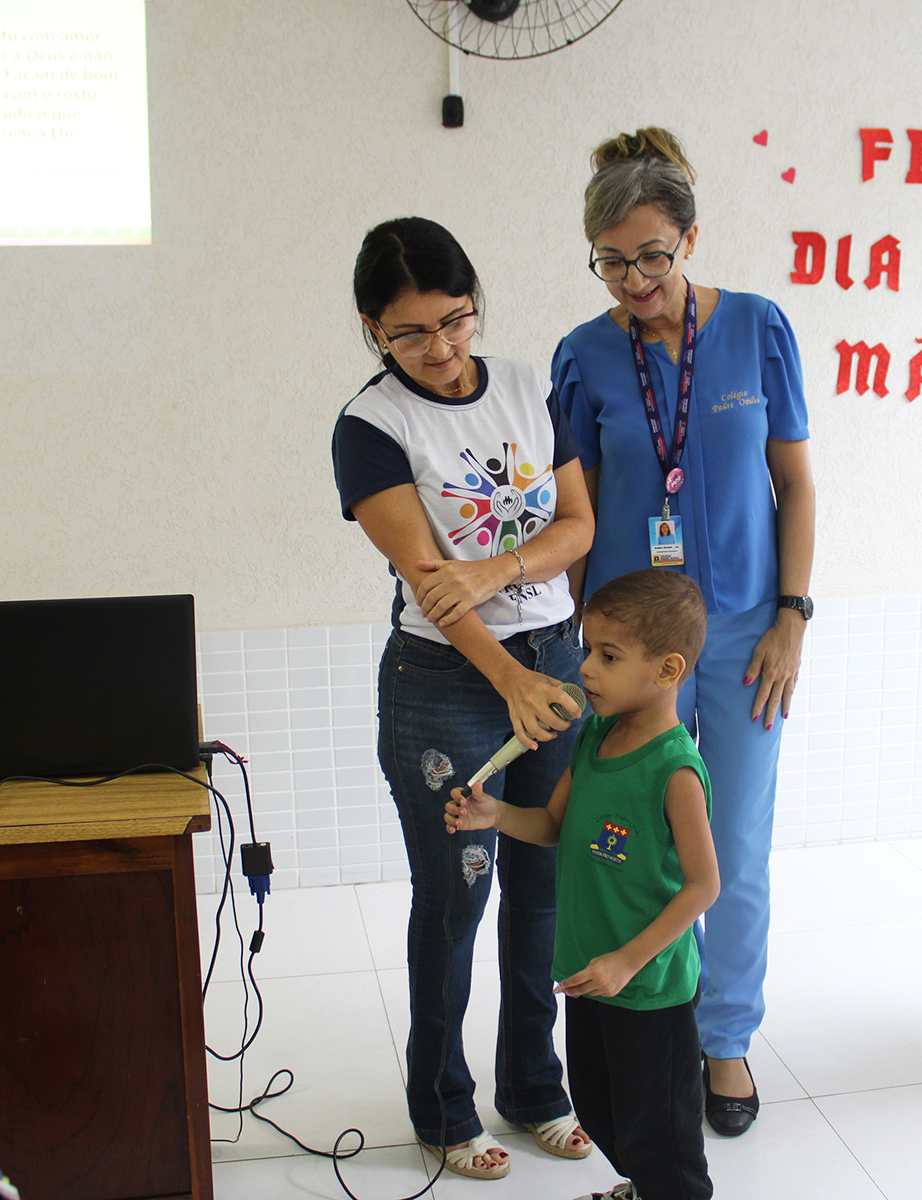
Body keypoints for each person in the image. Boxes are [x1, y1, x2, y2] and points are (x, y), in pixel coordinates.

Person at [551, 126, 815, 1135]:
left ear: (691, 239)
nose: (634, 281)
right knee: (634, 842)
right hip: (632, 647)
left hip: (746, 630)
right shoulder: (585, 357)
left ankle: (726, 1037)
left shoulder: (757, 329)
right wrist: (583, 651)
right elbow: (579, 513)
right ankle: (647, 1017)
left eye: (652, 256)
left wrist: (791, 616)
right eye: (611, 261)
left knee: (732, 845)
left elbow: (795, 485)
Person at [332, 216, 595, 1178]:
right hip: (446, 682)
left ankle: (535, 1087)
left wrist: (496, 570)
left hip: (554, 656)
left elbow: (578, 524)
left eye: (454, 321)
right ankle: (443, 1108)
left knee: (543, 887)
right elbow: (429, 585)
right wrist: (511, 676)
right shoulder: (372, 428)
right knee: (456, 899)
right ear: (374, 331)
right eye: (410, 334)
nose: (441, 349)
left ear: (475, 301)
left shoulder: (528, 385)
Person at [446, 567, 719, 1200]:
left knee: (662, 1135)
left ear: (668, 669)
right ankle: (641, 1187)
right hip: (587, 974)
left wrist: (626, 961)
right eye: (587, 647)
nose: (586, 668)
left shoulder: (675, 769)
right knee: (601, 1110)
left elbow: (703, 886)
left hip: (646, 988)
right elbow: (552, 825)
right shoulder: (595, 735)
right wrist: (495, 814)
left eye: (608, 656)